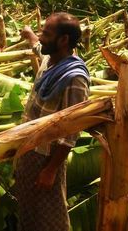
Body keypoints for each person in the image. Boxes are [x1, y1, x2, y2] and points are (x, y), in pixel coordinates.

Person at [15, 12, 90, 231]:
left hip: (47, 157)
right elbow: (38, 46)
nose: (41, 36)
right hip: (29, 148)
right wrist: (29, 34)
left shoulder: (74, 78)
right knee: (29, 208)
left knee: (50, 214)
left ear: (63, 40)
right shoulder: (50, 59)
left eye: (46, 33)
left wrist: (51, 170)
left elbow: (71, 132)